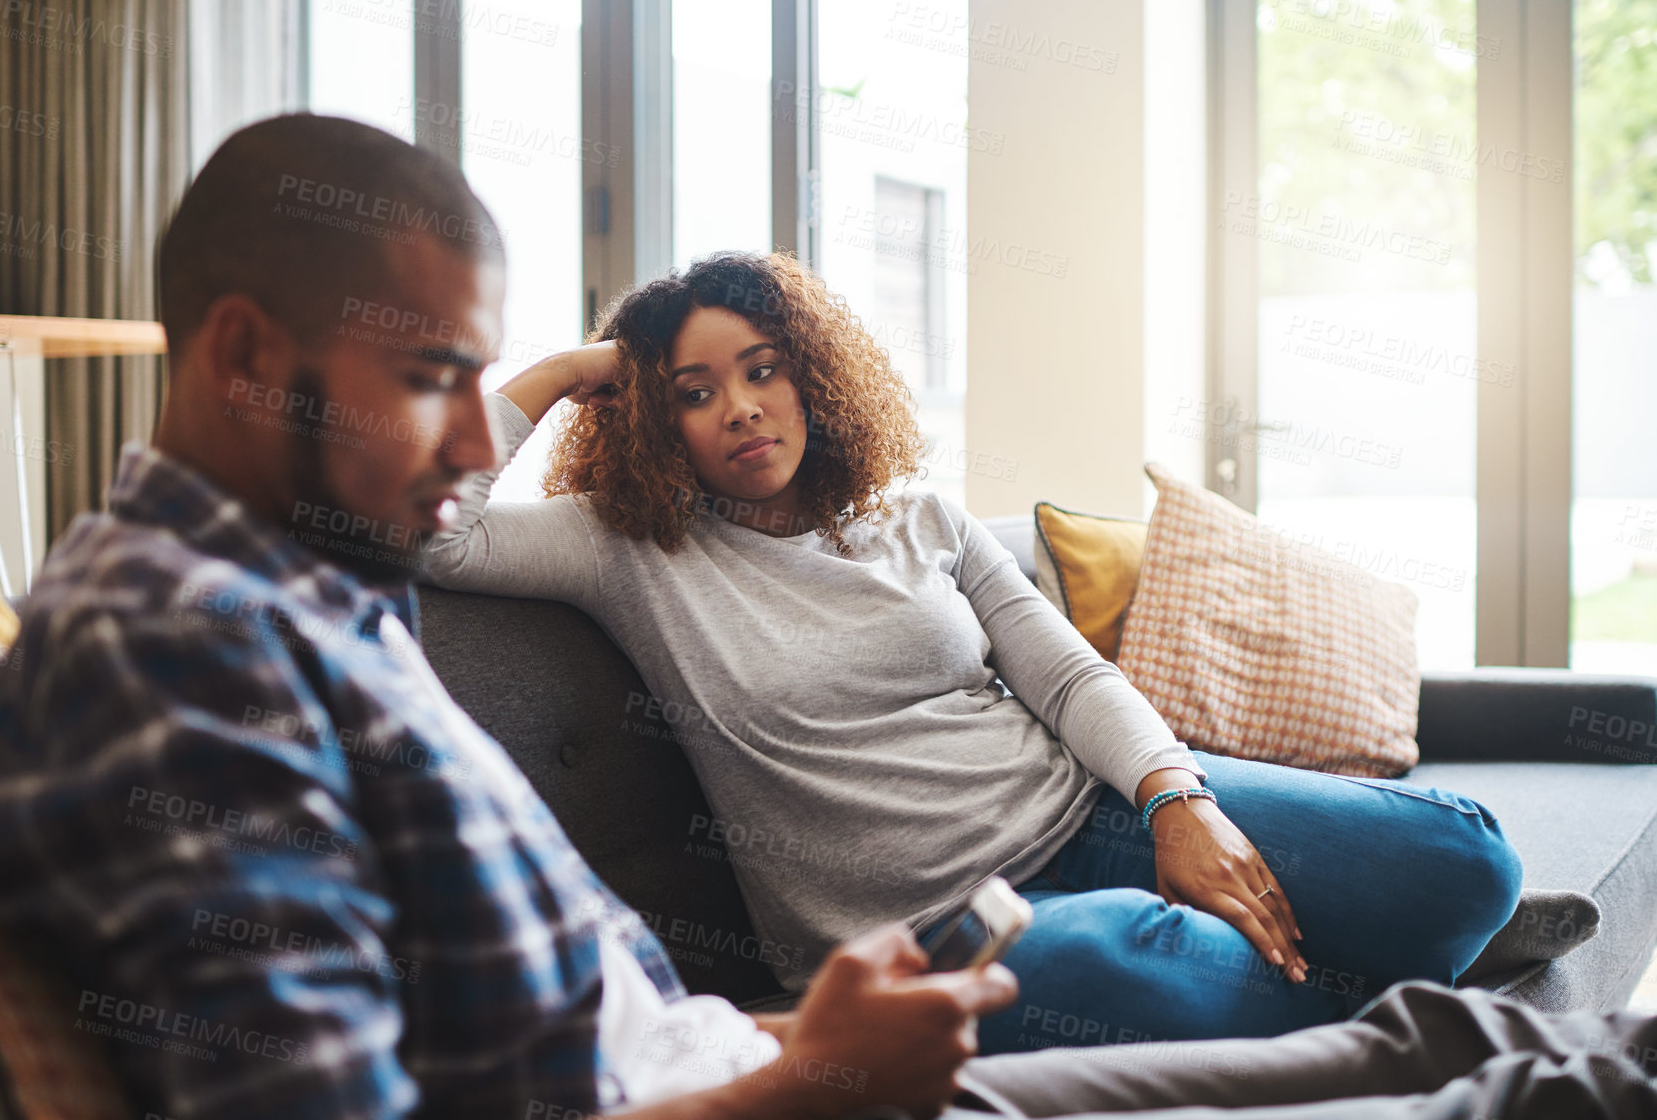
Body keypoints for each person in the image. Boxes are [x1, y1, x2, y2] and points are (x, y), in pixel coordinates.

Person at [0, 110, 1652, 1120]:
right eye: (433, 380)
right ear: (243, 357)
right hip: (828, 1042)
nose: (475, 448)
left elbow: (562, 1015)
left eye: (767, 369)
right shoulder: (181, 658)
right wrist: (795, 1078)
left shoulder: (306, 600)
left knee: (1463, 950)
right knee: (1519, 1073)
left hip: (773, 1045)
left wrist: (1173, 799)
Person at [418, 250, 1525, 1053]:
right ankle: (1391, 998)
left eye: (763, 370)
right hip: (923, 930)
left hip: (1086, 815)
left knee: (1468, 860)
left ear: (812, 374)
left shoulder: (922, 519)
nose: (742, 410)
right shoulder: (627, 547)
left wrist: (1178, 805)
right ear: (654, 421)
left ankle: (1326, 977)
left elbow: (1071, 677)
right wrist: (567, 371)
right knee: (1120, 962)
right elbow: (429, 535)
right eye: (694, 393)